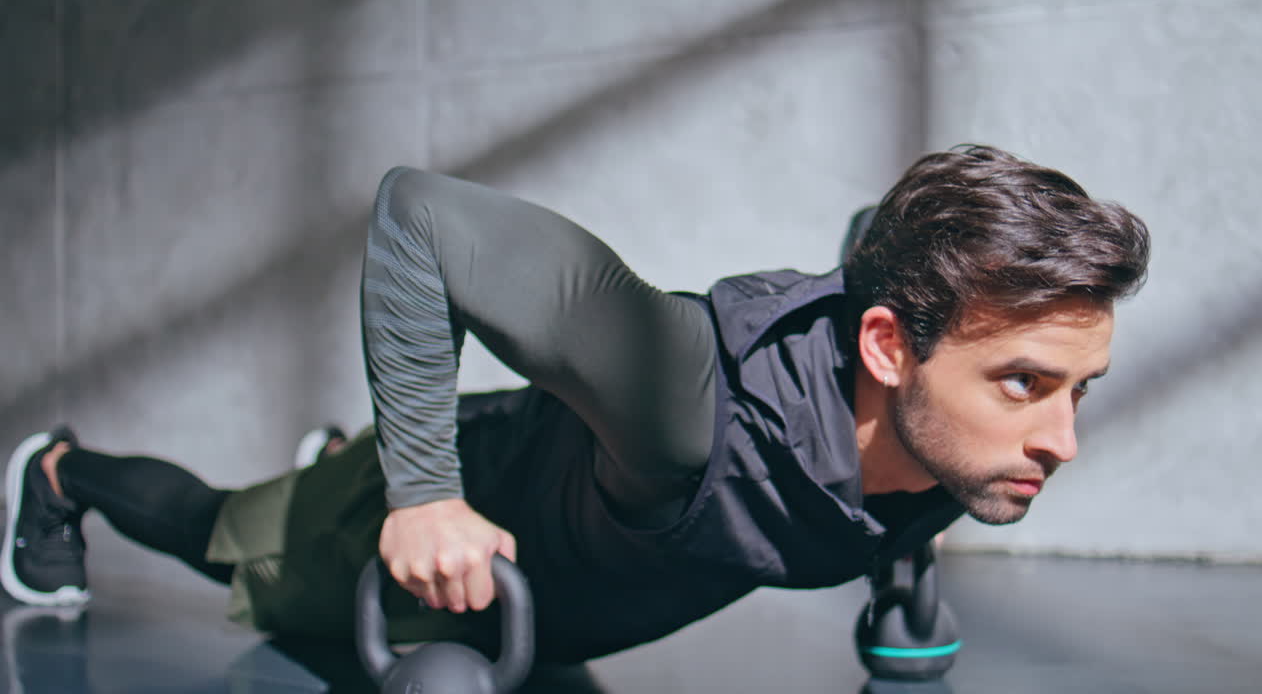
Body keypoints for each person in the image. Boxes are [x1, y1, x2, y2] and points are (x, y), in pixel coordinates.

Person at [2, 145, 1150, 664]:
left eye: (1076, 390)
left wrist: (900, 594)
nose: (1060, 439)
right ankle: (62, 474)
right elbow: (421, 217)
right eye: (1023, 385)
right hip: (447, 539)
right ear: (888, 350)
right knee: (218, 538)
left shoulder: (961, 444)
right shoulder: (680, 391)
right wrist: (422, 494)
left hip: (566, 602)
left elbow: (864, 255)